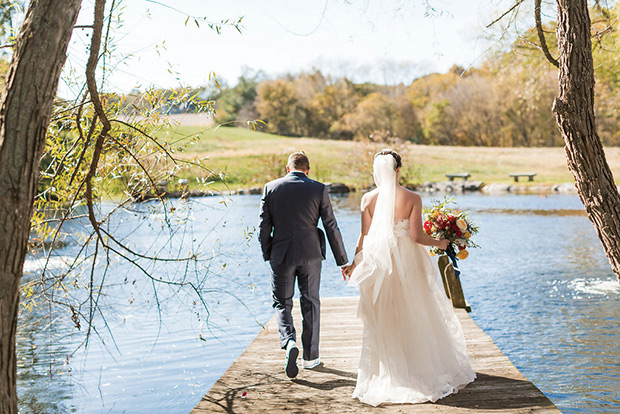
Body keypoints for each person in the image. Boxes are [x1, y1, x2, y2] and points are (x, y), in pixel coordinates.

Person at [342, 149, 475, 406]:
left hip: (379, 263)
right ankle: (416, 366)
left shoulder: (367, 199)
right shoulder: (412, 197)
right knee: (414, 309)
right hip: (406, 259)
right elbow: (416, 237)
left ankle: (391, 371)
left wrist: (353, 263)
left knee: (385, 314)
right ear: (398, 169)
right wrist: (441, 240)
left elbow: (364, 237)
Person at [259, 151, 348, 379]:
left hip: (281, 254)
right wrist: (342, 261)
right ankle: (310, 358)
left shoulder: (271, 187)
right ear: (308, 171)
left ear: (287, 169)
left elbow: (263, 228)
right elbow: (330, 225)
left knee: (282, 303)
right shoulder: (318, 188)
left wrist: (269, 253)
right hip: (311, 255)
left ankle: (289, 343)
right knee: (310, 302)